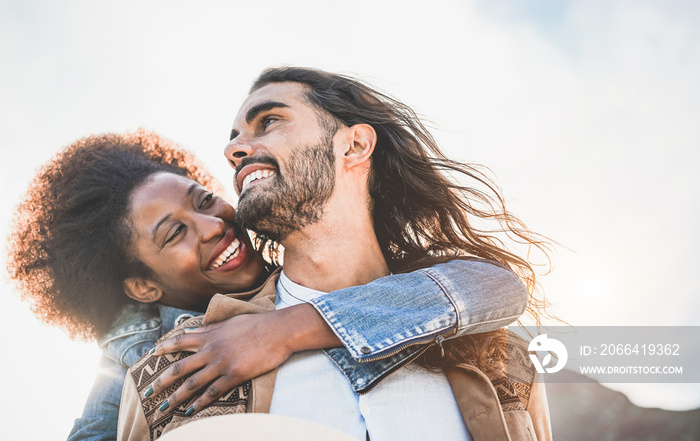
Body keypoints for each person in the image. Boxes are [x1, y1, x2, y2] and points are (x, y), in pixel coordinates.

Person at [6, 130, 529, 441]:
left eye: (203, 200)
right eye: (175, 234)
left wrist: (281, 331)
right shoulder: (137, 356)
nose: (213, 225)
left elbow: (492, 287)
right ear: (143, 287)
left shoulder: (313, 269)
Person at [132, 67, 553, 440]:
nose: (234, 150)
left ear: (354, 146)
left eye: (269, 121)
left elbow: (497, 286)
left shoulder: (501, 357)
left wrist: (285, 330)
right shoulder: (178, 366)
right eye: (234, 139)